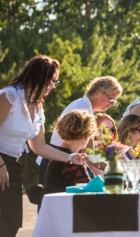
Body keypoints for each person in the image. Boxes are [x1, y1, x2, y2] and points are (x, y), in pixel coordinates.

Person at [0, 55, 86, 237]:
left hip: (13, 166)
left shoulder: (38, 107)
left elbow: (39, 147)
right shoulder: (10, 96)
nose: (54, 85)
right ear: (40, 76)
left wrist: (71, 158)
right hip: (1, 161)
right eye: (53, 80)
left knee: (12, 223)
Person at [38, 76, 122, 182]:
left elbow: (90, 154)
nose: (112, 104)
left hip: (61, 160)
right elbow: (89, 153)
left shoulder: (84, 106)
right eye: (112, 99)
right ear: (100, 92)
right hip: (60, 161)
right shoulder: (82, 110)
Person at [44, 110, 99, 194]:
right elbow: (89, 191)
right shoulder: (74, 159)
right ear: (86, 134)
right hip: (70, 205)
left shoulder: (57, 154)